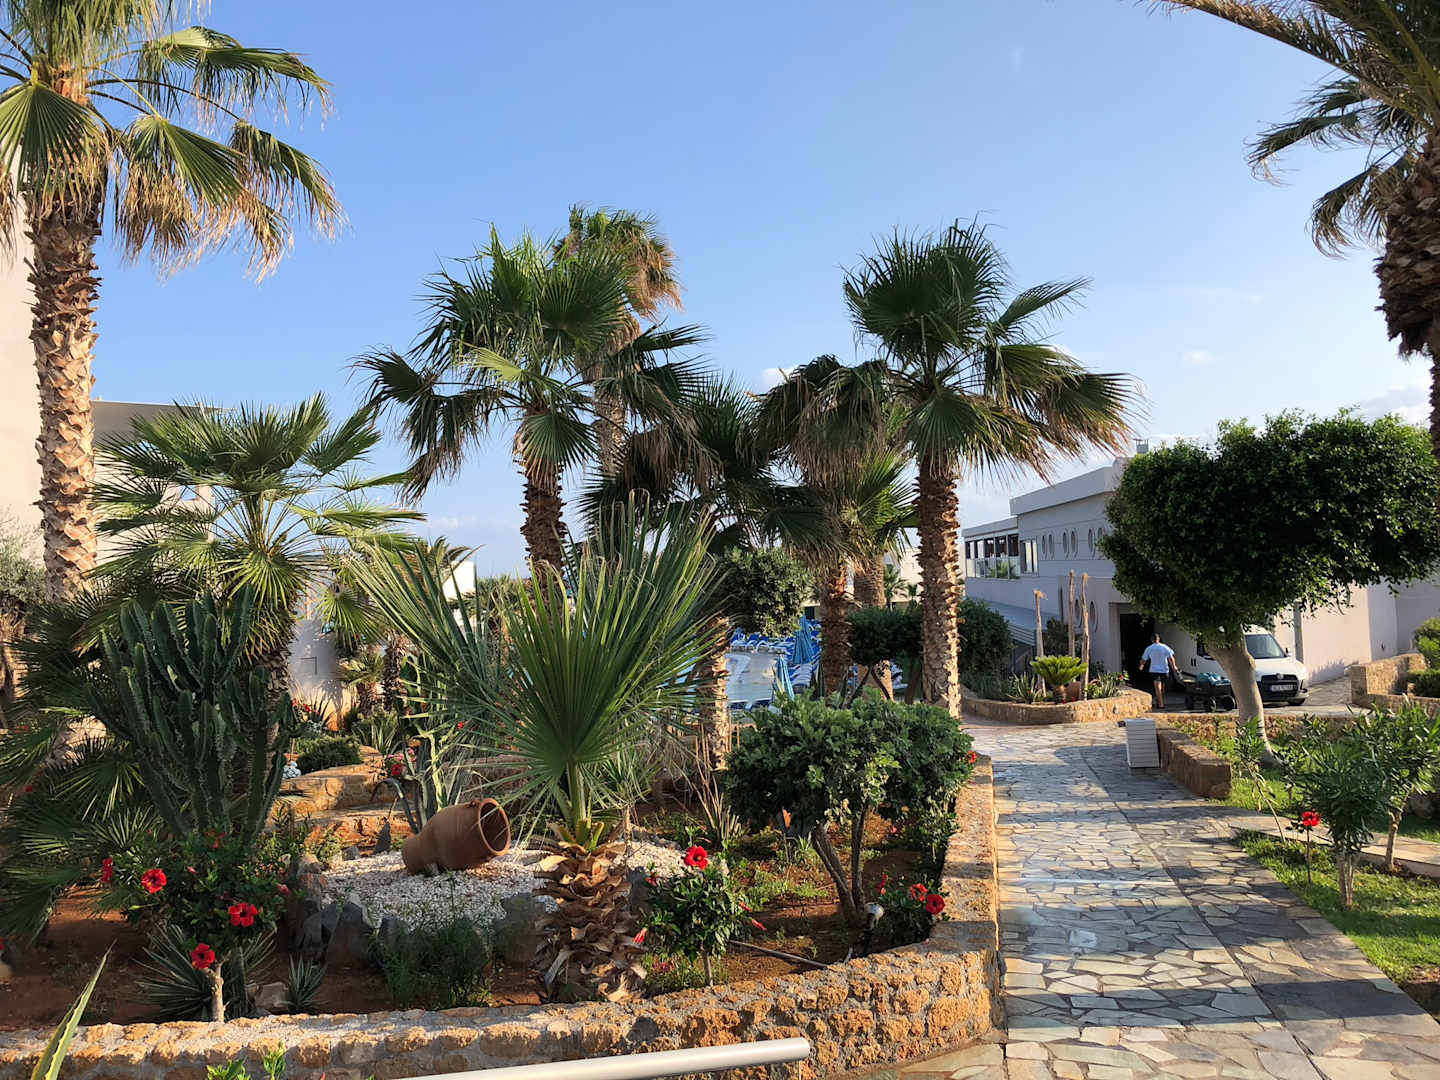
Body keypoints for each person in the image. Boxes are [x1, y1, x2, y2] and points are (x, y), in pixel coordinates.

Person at [1140, 632, 1179, 710]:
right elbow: (1171, 657)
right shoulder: (1164, 647)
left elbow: (1144, 659)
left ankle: (1159, 700)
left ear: (1151, 640)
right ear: (1159, 639)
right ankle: (1161, 704)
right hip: (1165, 670)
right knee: (1161, 688)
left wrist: (1141, 665)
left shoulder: (1149, 648)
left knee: (1159, 688)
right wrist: (1174, 666)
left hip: (1154, 670)